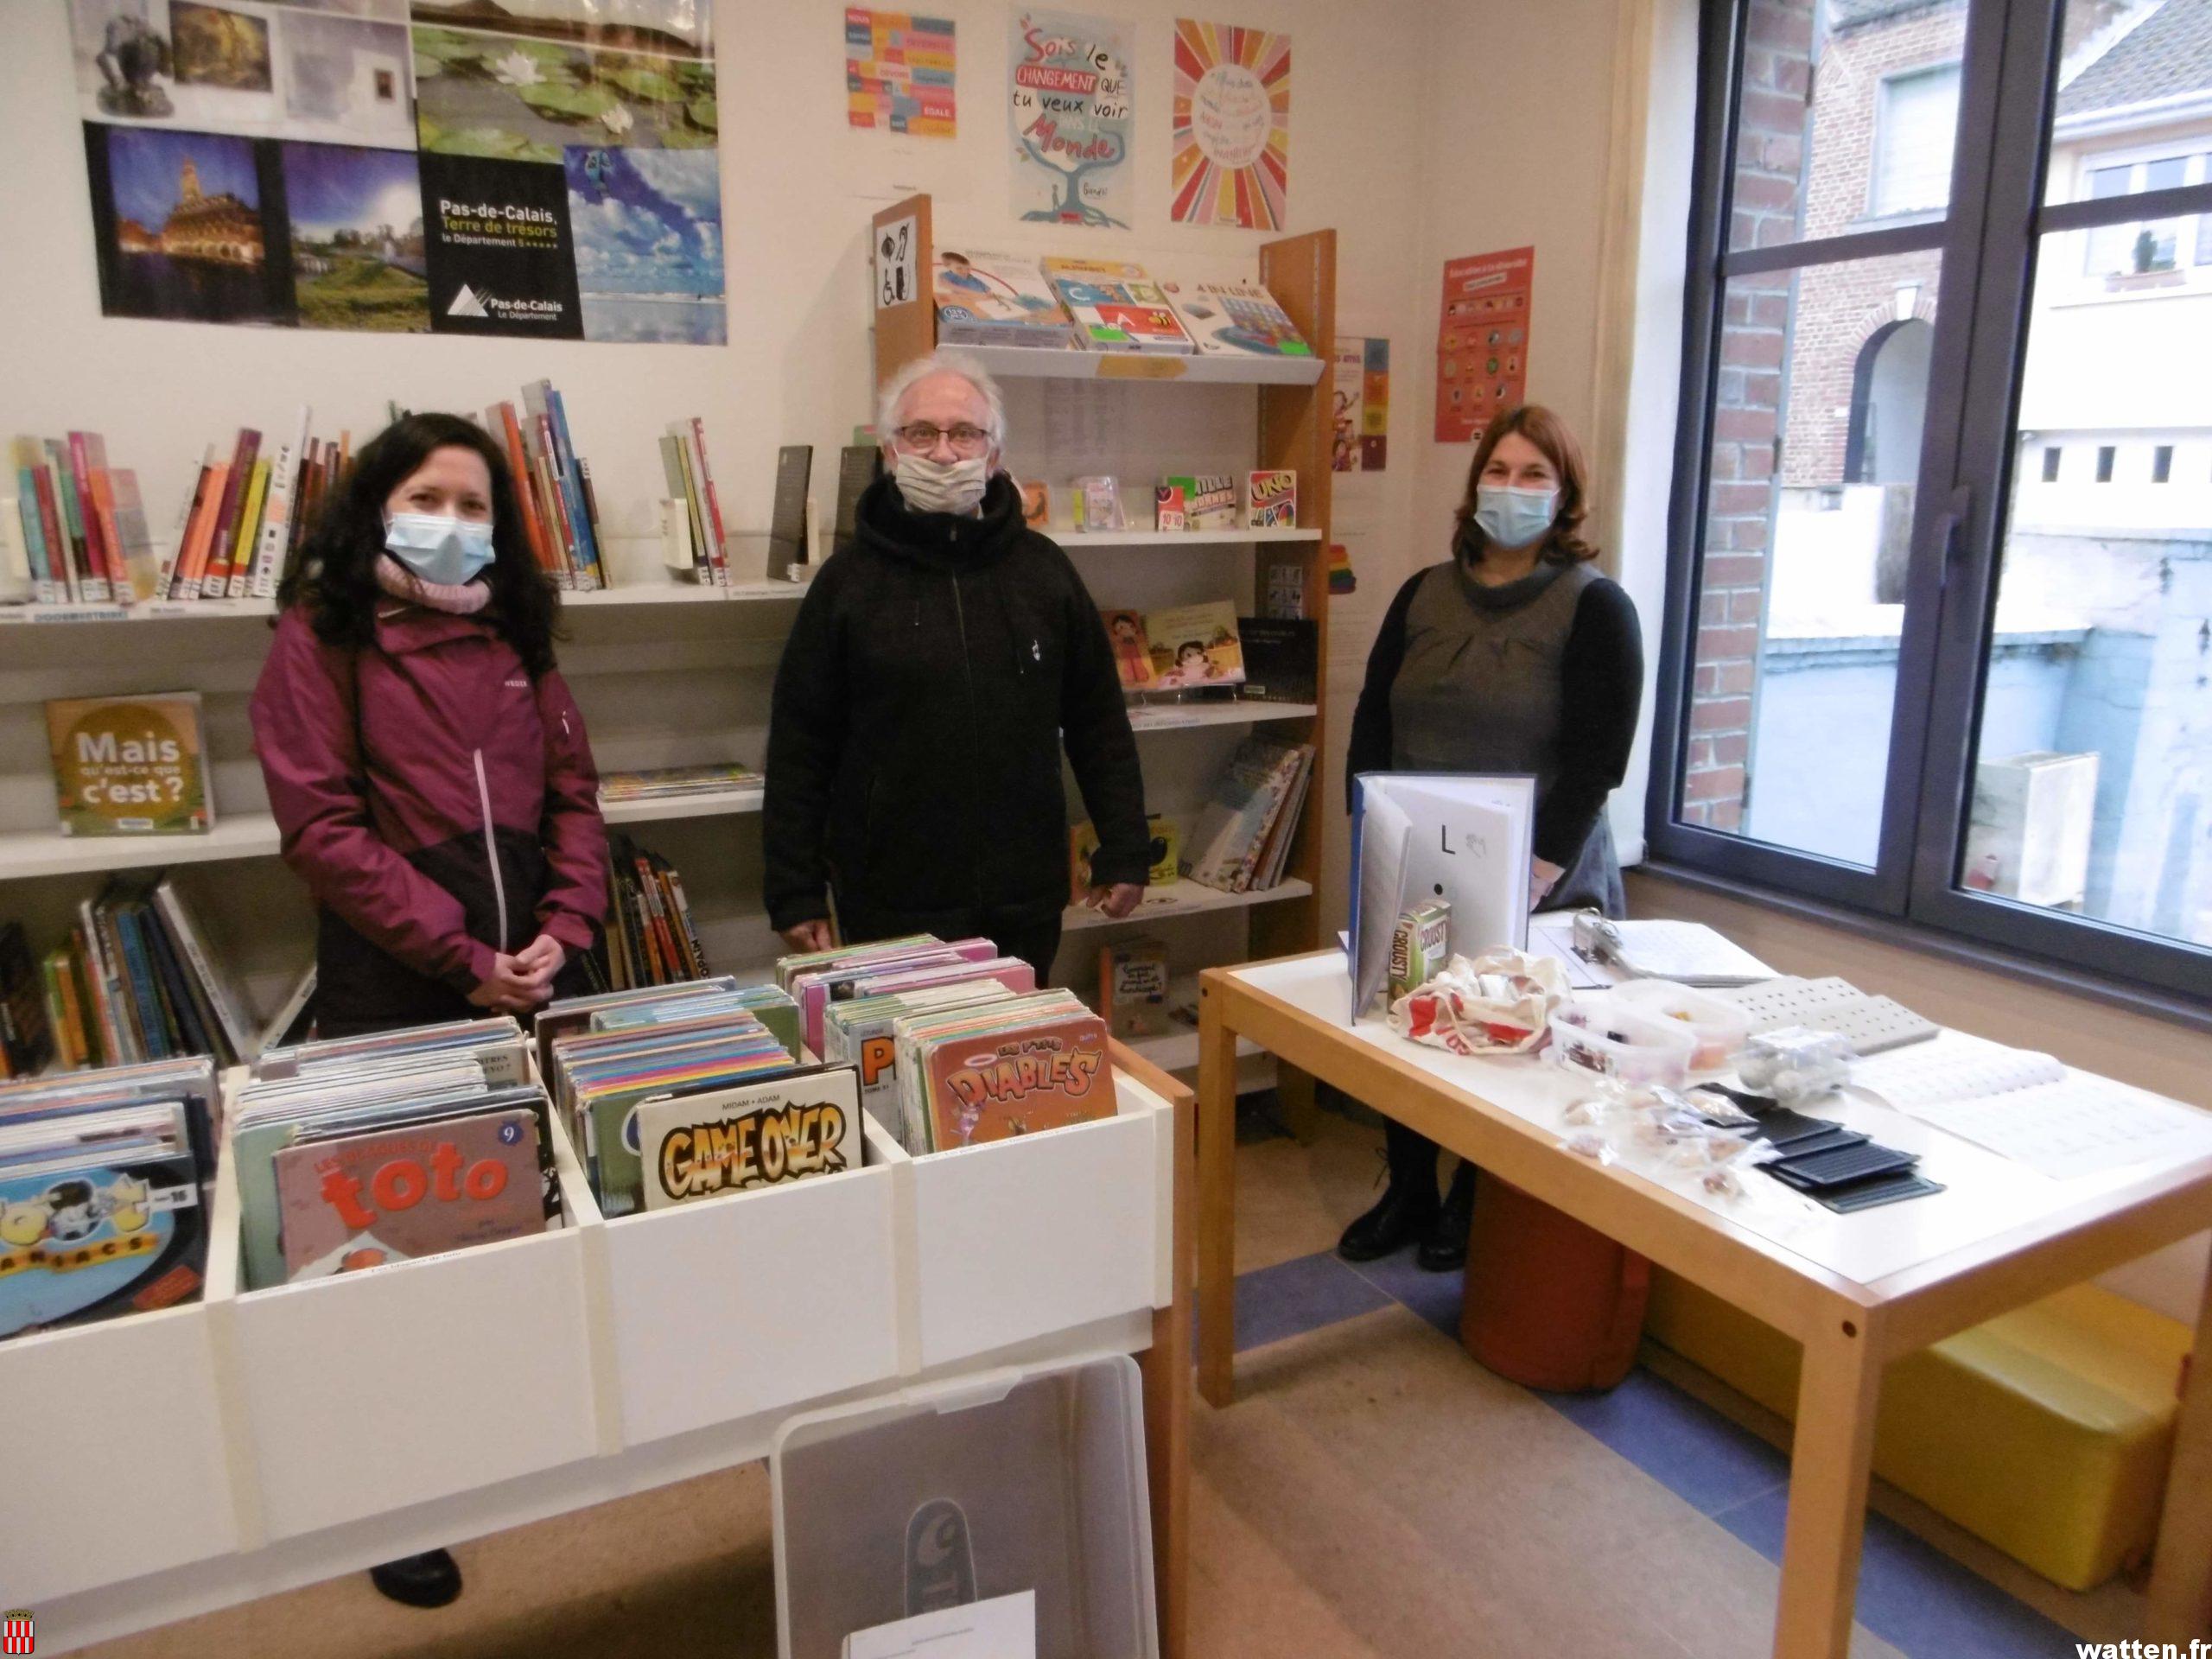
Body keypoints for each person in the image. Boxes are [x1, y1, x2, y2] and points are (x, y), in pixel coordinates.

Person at [248, 411, 607, 1611]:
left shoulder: (518, 631)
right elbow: (322, 830)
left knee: (529, 1212)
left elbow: (574, 794)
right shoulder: (322, 634)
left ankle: (511, 1442)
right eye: (429, 499)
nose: (452, 524)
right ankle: (393, 1498)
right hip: (397, 975)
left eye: (474, 505)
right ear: (376, 506)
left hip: (536, 970)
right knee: (393, 1247)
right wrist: (461, 957)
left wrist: (572, 923)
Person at [1337, 404, 1643, 1272]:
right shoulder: (1422, 593)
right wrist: (1368, 827)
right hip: (1419, 856)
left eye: (1534, 476)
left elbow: (1598, 760)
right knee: (1409, 1027)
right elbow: (1371, 716)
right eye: (1499, 472)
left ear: (1566, 495)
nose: (1511, 490)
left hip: (1539, 867)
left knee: (1506, 1034)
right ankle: (1408, 1188)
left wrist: (1540, 866)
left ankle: (1474, 1196)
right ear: (1475, 486)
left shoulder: (1595, 608)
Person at [764, 351, 1148, 980]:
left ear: (993, 455)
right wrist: (794, 888)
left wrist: (1127, 850)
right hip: (890, 904)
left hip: (1024, 903)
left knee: (1013, 1071)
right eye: (922, 433)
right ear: (891, 452)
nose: (944, 453)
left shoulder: (1044, 572)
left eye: (964, 433)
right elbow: (800, 745)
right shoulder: (847, 585)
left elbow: (1098, 722)